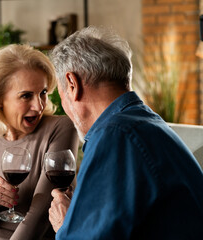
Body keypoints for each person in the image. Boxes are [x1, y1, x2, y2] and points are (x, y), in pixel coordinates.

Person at [48, 26, 203, 239]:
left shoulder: (115, 135)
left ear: (72, 84)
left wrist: (65, 226)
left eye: (61, 94)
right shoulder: (145, 123)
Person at [0, 44, 79, 240]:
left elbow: (39, 217)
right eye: (26, 96)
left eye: (42, 93)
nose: (39, 105)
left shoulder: (60, 128)